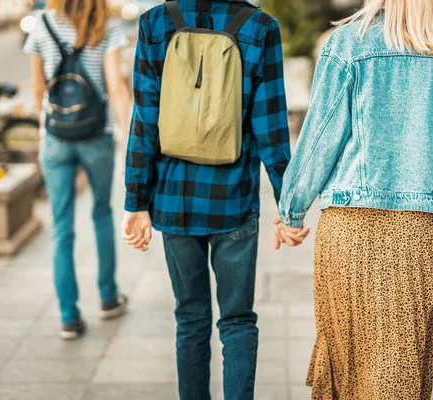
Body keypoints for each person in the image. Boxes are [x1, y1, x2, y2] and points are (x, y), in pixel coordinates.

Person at [275, 0, 433, 398]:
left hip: (349, 227)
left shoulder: (347, 44)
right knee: (400, 372)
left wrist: (291, 210)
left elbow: (319, 138)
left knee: (347, 367)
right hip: (418, 232)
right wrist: (429, 188)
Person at [122, 0, 299, 399]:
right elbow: (271, 125)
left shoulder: (155, 23)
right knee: (237, 321)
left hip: (174, 198)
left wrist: (136, 201)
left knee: (190, 317)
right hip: (233, 201)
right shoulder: (259, 27)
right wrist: (289, 205)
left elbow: (144, 118)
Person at [24, 0, 132, 340]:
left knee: (61, 227)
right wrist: (131, 137)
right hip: (96, 135)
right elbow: (116, 88)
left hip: (56, 137)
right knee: (102, 214)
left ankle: (69, 317)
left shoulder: (42, 25)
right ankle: (108, 297)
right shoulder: (107, 28)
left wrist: (47, 129)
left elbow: (38, 88)